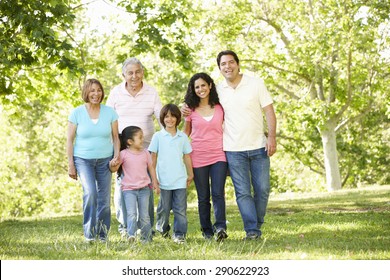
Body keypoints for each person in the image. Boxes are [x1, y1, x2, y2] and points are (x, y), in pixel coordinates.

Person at [216, 50, 277, 240]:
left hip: (259, 146)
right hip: (233, 149)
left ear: (238, 64)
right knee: (242, 192)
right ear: (219, 68)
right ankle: (252, 231)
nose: (228, 66)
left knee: (263, 189)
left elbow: (269, 111)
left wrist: (272, 137)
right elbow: (199, 102)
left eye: (231, 62)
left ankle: (256, 223)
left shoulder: (255, 83)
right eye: (223, 64)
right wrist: (185, 107)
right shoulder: (217, 90)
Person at [106, 58, 162, 235]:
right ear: (124, 75)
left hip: (146, 149)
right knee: (123, 186)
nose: (134, 76)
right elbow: (108, 119)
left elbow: (161, 117)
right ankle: (125, 227)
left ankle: (146, 228)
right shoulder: (116, 93)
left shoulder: (151, 92)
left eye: (137, 72)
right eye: (130, 73)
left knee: (146, 186)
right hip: (122, 149)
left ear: (142, 72)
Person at [67, 78, 120, 243]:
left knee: (104, 198)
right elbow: (69, 140)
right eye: (92, 91)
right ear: (86, 93)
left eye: (98, 90)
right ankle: (89, 235)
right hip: (83, 160)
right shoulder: (77, 113)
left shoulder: (110, 112)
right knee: (90, 193)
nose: (96, 94)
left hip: (105, 160)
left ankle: (103, 235)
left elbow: (116, 138)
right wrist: (71, 164)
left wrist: (116, 157)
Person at [183, 72, 228, 241]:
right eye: (197, 87)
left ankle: (221, 227)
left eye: (203, 85)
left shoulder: (220, 107)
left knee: (218, 193)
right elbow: (185, 132)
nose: (200, 89)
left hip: (219, 155)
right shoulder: (190, 110)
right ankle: (207, 231)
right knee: (203, 197)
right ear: (193, 90)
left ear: (210, 86)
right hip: (198, 156)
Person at [148, 104, 194, 244]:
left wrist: (190, 174)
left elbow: (187, 156)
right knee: (164, 208)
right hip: (163, 180)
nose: (170, 119)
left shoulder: (183, 137)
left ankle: (179, 234)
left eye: (173, 116)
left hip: (179, 179)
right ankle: (163, 229)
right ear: (162, 118)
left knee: (180, 209)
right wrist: (154, 179)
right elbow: (153, 158)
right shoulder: (158, 136)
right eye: (167, 116)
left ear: (178, 118)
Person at [109, 126, 159, 243]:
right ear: (130, 141)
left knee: (144, 215)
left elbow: (151, 167)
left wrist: (155, 182)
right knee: (131, 214)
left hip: (144, 189)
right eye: (140, 137)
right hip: (129, 190)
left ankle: (146, 238)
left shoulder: (146, 153)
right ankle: (131, 235)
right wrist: (112, 164)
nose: (143, 139)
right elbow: (114, 169)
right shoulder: (123, 154)